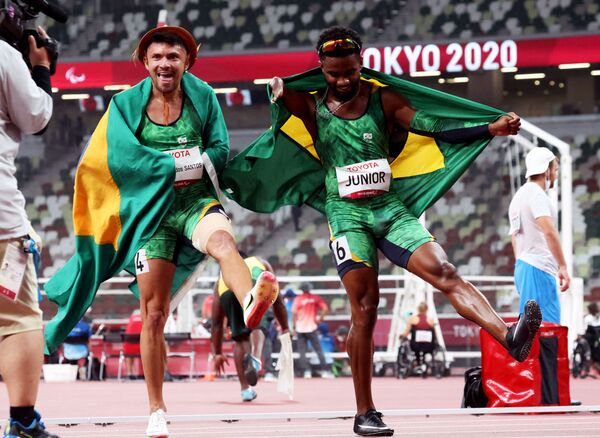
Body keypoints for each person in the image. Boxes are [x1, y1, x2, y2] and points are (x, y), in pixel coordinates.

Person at [268, 26, 541, 436]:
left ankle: (509, 337)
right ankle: (365, 412)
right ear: (320, 67)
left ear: (363, 64)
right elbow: (278, 96)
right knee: (365, 309)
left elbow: (431, 125)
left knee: (445, 270)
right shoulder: (310, 106)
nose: (342, 80)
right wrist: (277, 88)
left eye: (350, 71)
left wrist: (488, 128)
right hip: (345, 215)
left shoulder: (384, 99)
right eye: (333, 73)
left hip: (389, 209)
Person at [120, 25, 278, 437]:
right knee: (154, 314)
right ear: (145, 62)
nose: (165, 64)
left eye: (173, 57)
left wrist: (191, 163)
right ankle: (156, 409)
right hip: (152, 214)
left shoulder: (203, 96)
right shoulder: (125, 104)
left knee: (225, 242)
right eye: (157, 57)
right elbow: (118, 158)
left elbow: (222, 149)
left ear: (187, 61)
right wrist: (163, 168)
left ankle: (250, 303)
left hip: (195, 202)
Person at [0, 25, 60, 438]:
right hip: (1, 217)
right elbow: (36, 115)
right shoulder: (3, 53)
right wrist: (39, 69)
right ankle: (21, 423)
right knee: (18, 318)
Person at [211, 256, 289, 401]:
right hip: (254, 283)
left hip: (226, 290)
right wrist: (285, 327)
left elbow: (216, 323)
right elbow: (277, 299)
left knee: (240, 339)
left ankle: (245, 389)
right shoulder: (260, 262)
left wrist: (217, 353)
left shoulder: (221, 277)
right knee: (257, 324)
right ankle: (255, 358)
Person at [508, 147, 571, 324]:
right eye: (556, 170)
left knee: (529, 330)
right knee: (547, 329)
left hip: (523, 266)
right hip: (539, 268)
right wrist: (563, 267)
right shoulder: (537, 195)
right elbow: (549, 231)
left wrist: (521, 266)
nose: (556, 175)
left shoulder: (518, 196)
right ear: (547, 170)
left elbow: (514, 238)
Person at [292, 282, 334, 379]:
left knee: (302, 351)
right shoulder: (315, 298)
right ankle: (325, 371)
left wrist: (294, 327)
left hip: (300, 328)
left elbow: (294, 313)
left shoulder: (298, 299)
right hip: (312, 327)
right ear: (309, 289)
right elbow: (325, 309)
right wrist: (320, 319)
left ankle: (307, 372)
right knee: (318, 350)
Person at [399, 302, 436, 374]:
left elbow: (406, 332)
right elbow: (434, 334)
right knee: (427, 347)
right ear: (427, 309)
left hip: (415, 345)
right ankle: (424, 362)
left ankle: (418, 362)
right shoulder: (431, 320)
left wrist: (401, 336)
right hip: (429, 345)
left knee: (412, 345)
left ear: (418, 309)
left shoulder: (412, 319)